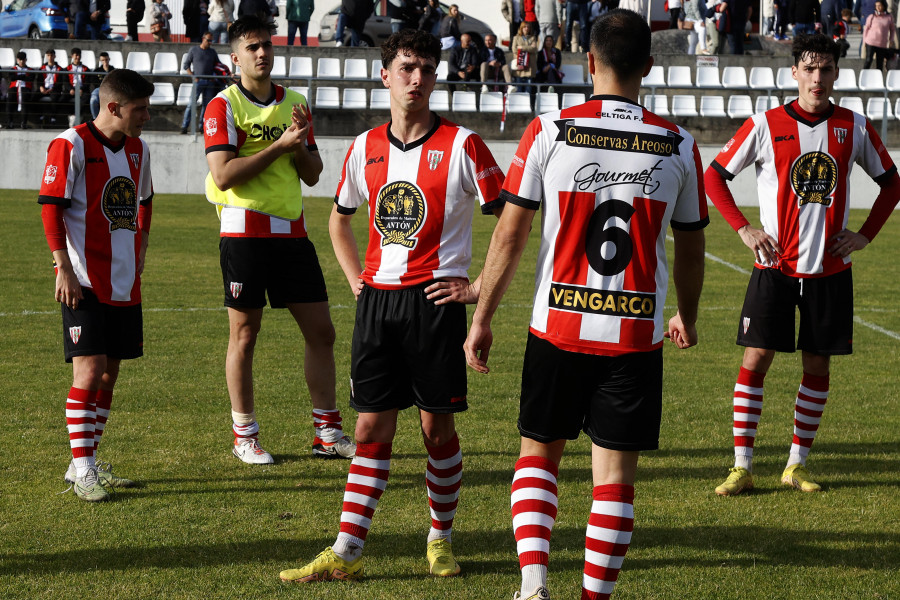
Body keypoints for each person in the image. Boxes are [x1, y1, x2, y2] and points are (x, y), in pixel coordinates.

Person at [463, 10, 707, 600]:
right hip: (634, 338)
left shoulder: (549, 130)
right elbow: (692, 244)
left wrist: (483, 317)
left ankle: (532, 586)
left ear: (588, 62)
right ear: (649, 66)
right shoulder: (678, 144)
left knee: (538, 459)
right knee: (615, 483)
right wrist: (689, 315)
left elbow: (510, 234)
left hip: (557, 329)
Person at [278, 28, 506, 585]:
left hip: (435, 305)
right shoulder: (363, 147)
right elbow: (339, 217)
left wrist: (477, 289)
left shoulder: (464, 145)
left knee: (436, 433)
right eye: (406, 68)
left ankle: (440, 539)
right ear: (385, 75)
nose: (417, 79)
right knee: (368, 431)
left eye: (427, 69)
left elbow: (512, 220)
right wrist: (357, 278)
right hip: (378, 306)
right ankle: (347, 550)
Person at [706, 34, 900, 497]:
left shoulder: (854, 126)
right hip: (774, 266)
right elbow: (714, 175)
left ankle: (796, 465)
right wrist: (744, 229)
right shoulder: (765, 124)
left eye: (826, 68)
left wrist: (864, 235)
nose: (817, 77)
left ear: (836, 74)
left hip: (829, 270)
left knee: (817, 365)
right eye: (809, 68)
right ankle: (742, 467)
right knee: (756, 358)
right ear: (794, 72)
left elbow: (891, 185)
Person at [204, 16, 354, 464]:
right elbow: (224, 174)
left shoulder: (296, 102)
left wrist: (300, 144)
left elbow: (313, 173)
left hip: (291, 232)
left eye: (266, 45)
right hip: (244, 232)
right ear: (235, 58)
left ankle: (327, 432)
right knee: (245, 335)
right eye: (252, 47)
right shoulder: (223, 106)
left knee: (322, 332)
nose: (262, 53)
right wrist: (278, 147)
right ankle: (244, 435)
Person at [38, 68, 155, 502]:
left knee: (109, 373)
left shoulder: (139, 150)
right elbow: (51, 208)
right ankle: (85, 469)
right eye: (139, 109)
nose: (146, 116)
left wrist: (142, 243)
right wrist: (63, 268)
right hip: (83, 279)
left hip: (124, 281)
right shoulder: (70, 144)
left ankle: (82, 463)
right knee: (88, 371)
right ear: (113, 107)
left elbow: (144, 199)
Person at [181, 32, 220, 134]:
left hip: (209, 82)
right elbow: (186, 65)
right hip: (198, 82)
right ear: (203, 39)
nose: (210, 43)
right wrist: (193, 77)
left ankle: (202, 127)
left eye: (212, 41)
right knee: (191, 104)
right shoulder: (193, 50)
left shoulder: (212, 52)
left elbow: (218, 65)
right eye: (208, 40)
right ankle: (184, 126)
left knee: (207, 106)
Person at [863, 0, 896, 69]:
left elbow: (892, 30)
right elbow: (866, 29)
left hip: (882, 43)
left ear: (884, 6)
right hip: (871, 41)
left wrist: (891, 40)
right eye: (876, 6)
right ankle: (863, 75)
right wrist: (864, 41)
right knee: (868, 60)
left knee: (879, 63)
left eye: (879, 5)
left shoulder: (889, 17)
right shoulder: (872, 16)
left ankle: (879, 78)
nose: (878, 7)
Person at [3, 51, 32, 129]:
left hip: (25, 88)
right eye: (20, 59)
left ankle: (24, 123)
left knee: (25, 100)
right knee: (9, 100)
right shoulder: (13, 69)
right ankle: (10, 122)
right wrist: (23, 77)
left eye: (23, 60)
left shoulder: (30, 69)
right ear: (17, 60)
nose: (22, 61)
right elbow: (12, 78)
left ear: (26, 60)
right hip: (14, 88)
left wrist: (18, 76)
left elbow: (30, 78)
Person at [38, 49, 65, 127]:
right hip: (44, 88)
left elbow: (60, 82)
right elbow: (38, 79)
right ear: (46, 56)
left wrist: (52, 88)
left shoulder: (60, 69)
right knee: (32, 97)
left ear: (55, 56)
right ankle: (40, 116)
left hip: (54, 89)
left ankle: (53, 118)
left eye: (51, 55)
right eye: (48, 55)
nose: (50, 57)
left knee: (55, 98)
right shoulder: (42, 68)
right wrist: (41, 87)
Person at [511, 21, 539, 91]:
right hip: (519, 67)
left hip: (529, 68)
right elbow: (514, 50)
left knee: (528, 90)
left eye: (528, 27)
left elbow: (534, 49)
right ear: (521, 28)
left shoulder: (533, 38)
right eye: (524, 27)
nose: (526, 28)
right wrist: (528, 48)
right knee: (519, 90)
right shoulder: (516, 38)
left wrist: (521, 47)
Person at [65, 47, 90, 124]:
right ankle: (70, 115)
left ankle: (76, 116)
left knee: (86, 97)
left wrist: (81, 89)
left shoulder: (86, 69)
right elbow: (65, 82)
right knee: (62, 98)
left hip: (82, 90)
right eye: (76, 55)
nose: (77, 57)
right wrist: (70, 89)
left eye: (79, 55)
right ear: (72, 56)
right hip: (71, 90)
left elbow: (88, 82)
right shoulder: (67, 69)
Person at [89, 51, 116, 119]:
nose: (105, 62)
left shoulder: (113, 71)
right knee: (93, 100)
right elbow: (94, 82)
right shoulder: (97, 70)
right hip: (99, 89)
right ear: (100, 61)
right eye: (103, 60)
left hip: (110, 90)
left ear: (109, 59)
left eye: (106, 60)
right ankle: (96, 119)